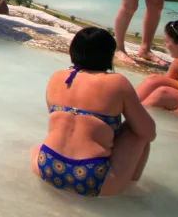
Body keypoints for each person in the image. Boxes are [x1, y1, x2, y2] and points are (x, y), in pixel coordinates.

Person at [31, 28, 155, 197]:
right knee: (137, 132)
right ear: (108, 55)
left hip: (46, 166)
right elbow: (149, 132)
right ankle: (130, 193)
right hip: (93, 179)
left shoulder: (57, 77)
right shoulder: (118, 82)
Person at [135, 20, 178, 116]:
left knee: (163, 94)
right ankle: (127, 108)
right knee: (153, 80)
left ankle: (135, 119)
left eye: (167, 41)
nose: (165, 45)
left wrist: (169, 120)